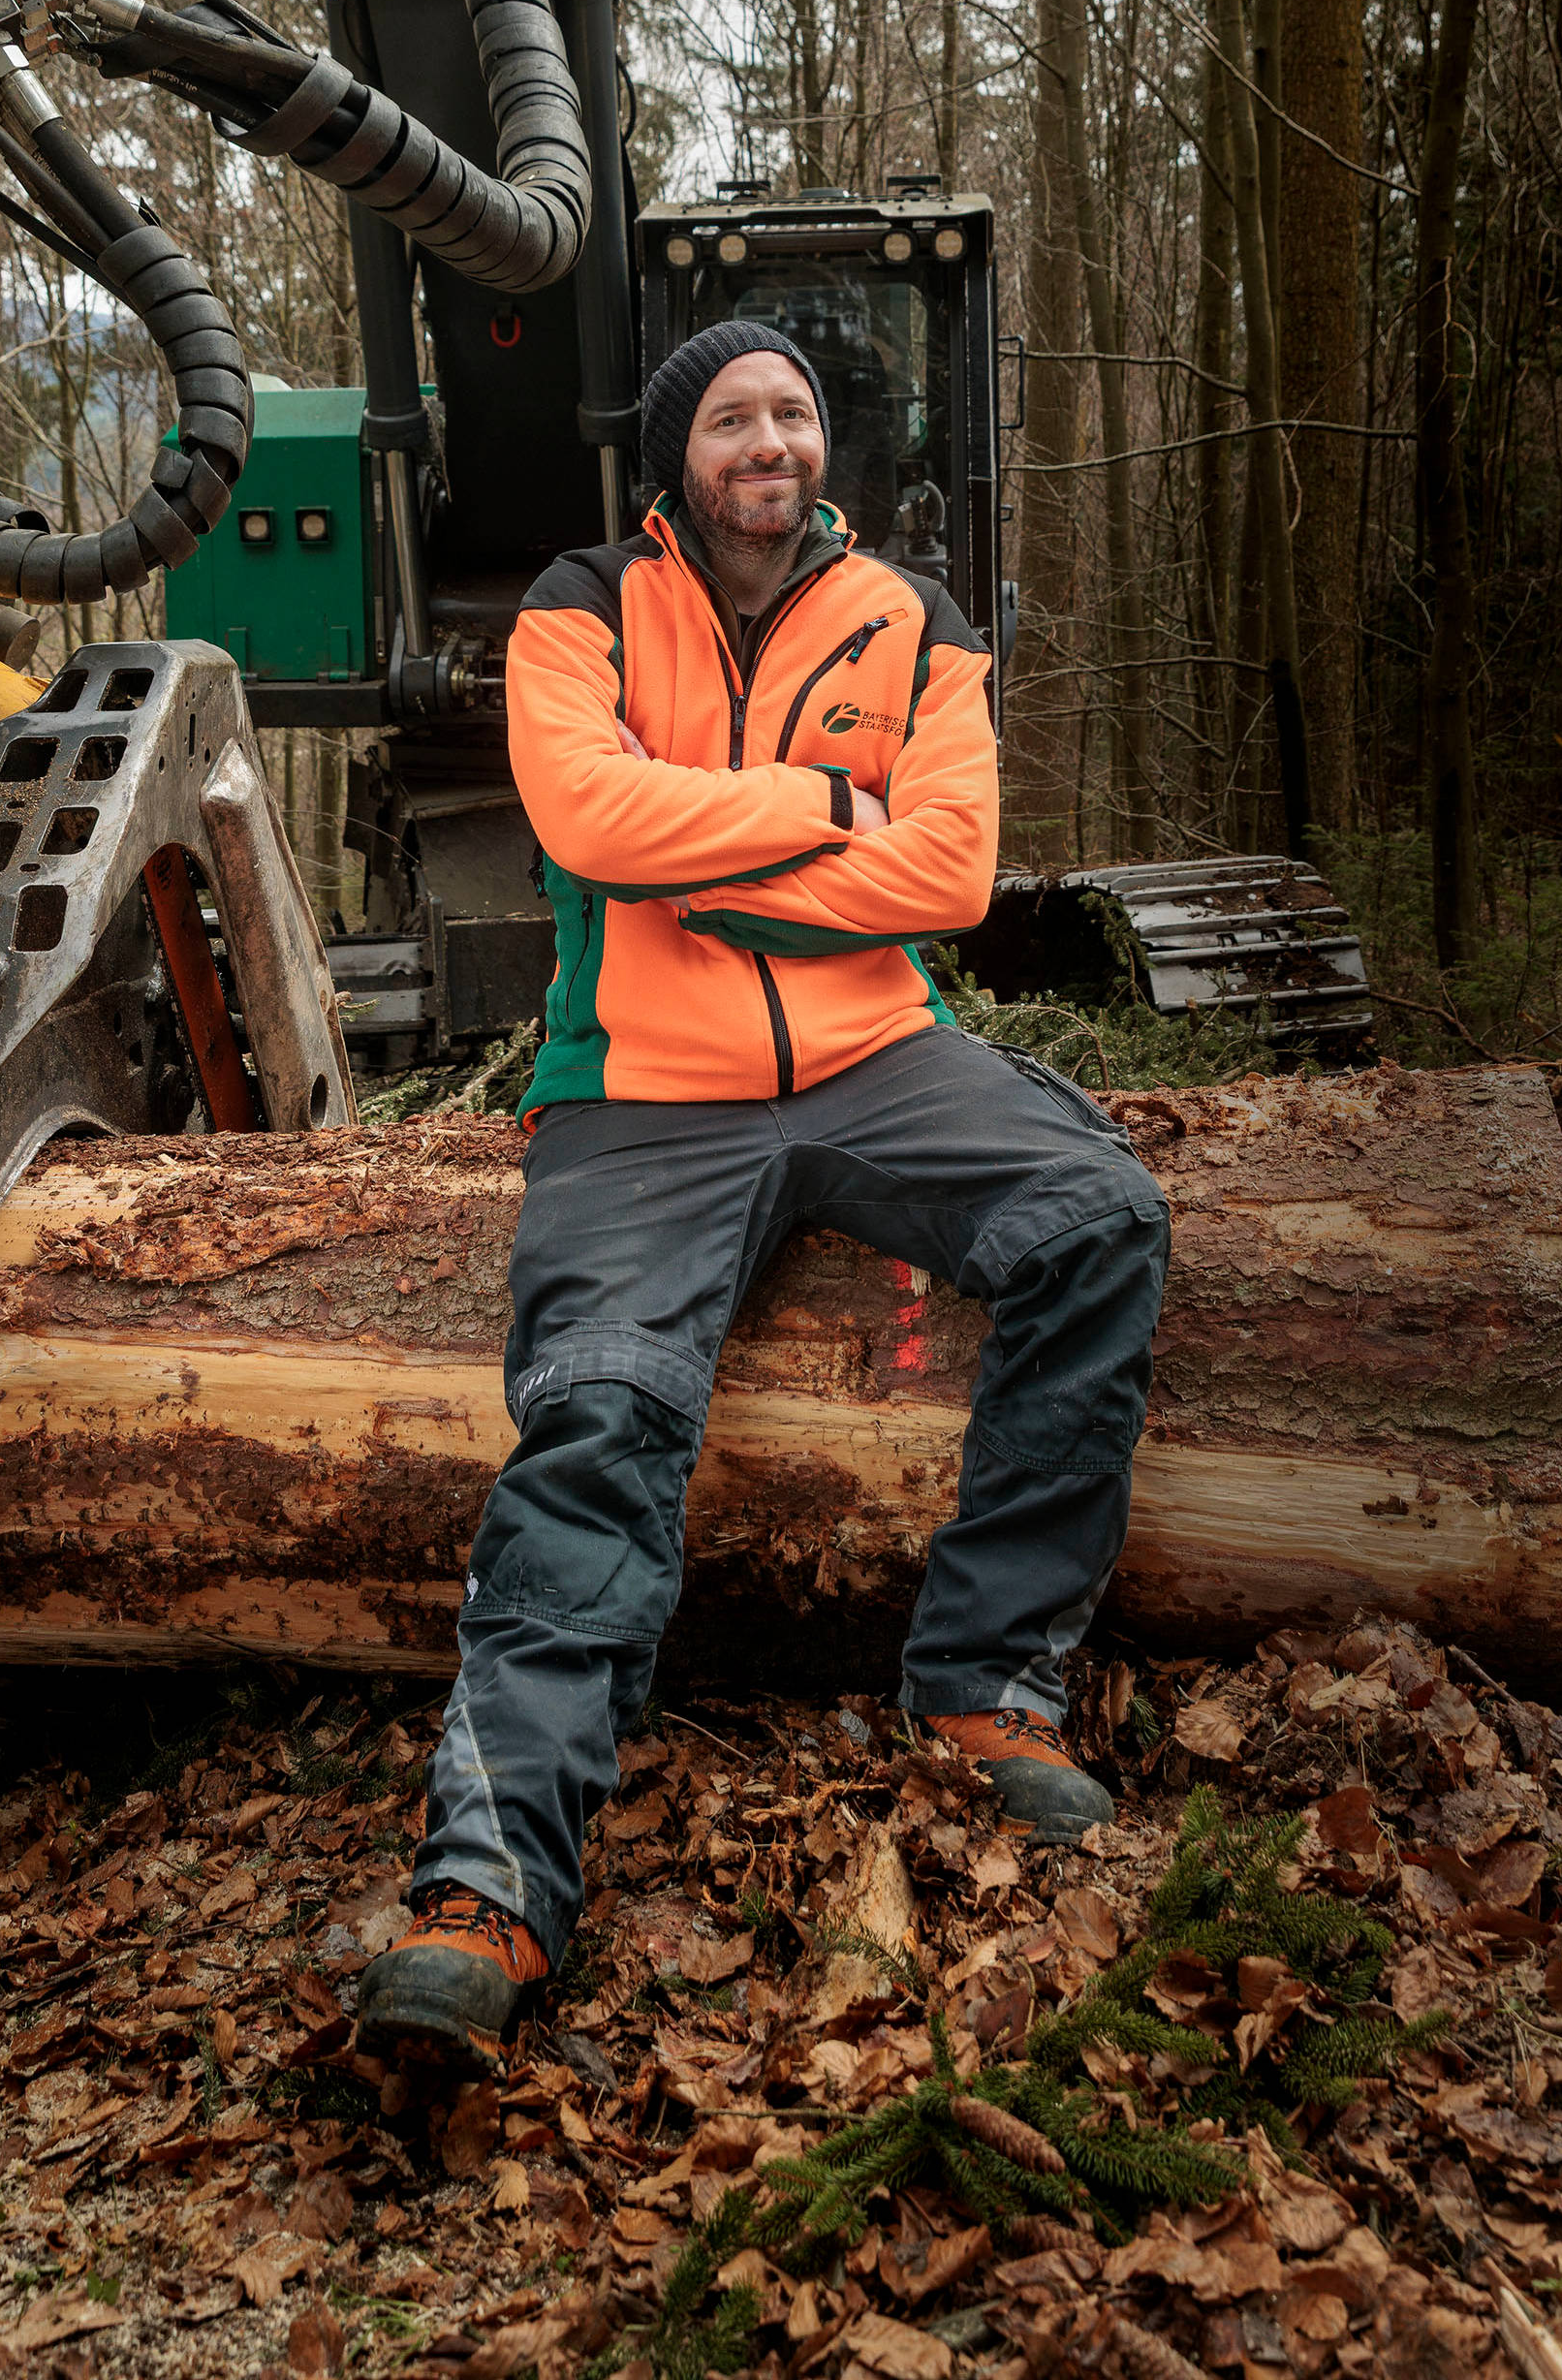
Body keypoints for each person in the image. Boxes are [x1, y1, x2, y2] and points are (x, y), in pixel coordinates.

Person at [357, 322, 1172, 2056]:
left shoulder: (914, 621)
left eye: (794, 414)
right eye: (734, 417)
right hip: (643, 1096)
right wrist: (820, 806)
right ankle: (488, 1893)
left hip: (887, 1060)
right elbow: (582, 817)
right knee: (597, 1417)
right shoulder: (580, 603)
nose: (771, 442)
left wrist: (727, 879)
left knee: (1098, 1219)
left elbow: (949, 872)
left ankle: (984, 1686)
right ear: (681, 455)